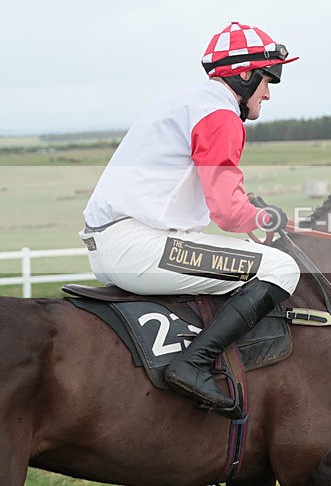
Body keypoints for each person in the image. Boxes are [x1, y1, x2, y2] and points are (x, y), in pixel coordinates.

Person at [80, 21, 301, 414]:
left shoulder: (185, 101)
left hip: (120, 243)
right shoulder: (221, 115)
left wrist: (252, 210)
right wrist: (265, 217)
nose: (268, 94)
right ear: (246, 74)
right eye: (269, 80)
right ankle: (193, 364)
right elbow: (228, 213)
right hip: (141, 247)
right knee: (282, 269)